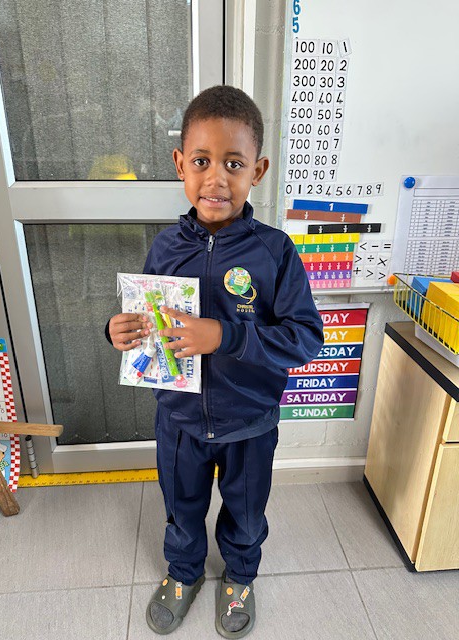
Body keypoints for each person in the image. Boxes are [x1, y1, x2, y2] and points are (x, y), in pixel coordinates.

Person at [107, 85, 323, 638]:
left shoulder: (275, 252)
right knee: (181, 505)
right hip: (178, 420)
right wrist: (118, 331)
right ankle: (184, 572)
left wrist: (224, 335)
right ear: (180, 164)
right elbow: (146, 322)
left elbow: (304, 338)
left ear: (258, 170)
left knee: (246, 512)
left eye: (234, 163)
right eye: (202, 161)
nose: (217, 179)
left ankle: (241, 574)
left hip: (250, 422)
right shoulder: (164, 248)